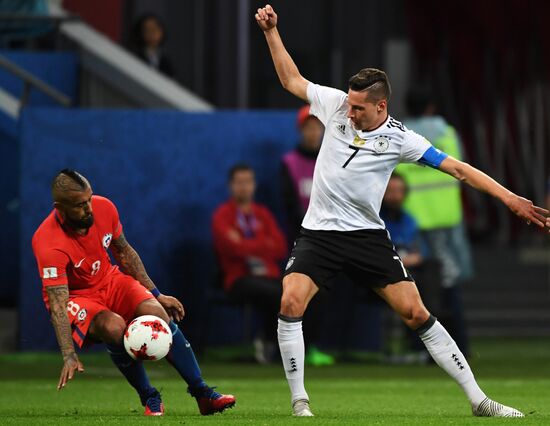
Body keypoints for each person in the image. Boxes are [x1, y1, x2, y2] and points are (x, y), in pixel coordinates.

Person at [255, 4, 549, 418]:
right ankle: (300, 402)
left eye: (359, 108)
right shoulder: (335, 105)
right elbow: (291, 79)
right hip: (318, 234)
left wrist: (510, 199)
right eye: (349, 105)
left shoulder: (401, 140)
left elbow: (459, 170)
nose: (349, 112)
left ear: (381, 106)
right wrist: (271, 32)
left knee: (416, 312)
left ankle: (480, 401)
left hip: (366, 237)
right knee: (290, 301)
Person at [32, 169, 235, 416]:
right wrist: (68, 354)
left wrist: (156, 293)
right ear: (59, 207)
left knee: (158, 314)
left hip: (109, 279)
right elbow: (58, 302)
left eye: (89, 199)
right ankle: (149, 396)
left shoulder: (104, 208)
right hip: (78, 297)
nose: (89, 209)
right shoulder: (47, 241)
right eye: (79, 205)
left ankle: (203, 394)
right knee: (114, 327)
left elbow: (125, 253)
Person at [396, 87, 473, 356]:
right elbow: (463, 170)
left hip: (410, 221)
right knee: (448, 282)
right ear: (430, 107)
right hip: (445, 219)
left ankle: (423, 348)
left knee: (413, 286)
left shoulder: (398, 134)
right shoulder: (449, 134)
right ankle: (459, 345)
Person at [212, 164, 287, 363]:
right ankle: (270, 344)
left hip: (269, 276)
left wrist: (244, 243)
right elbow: (231, 249)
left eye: (248, 182)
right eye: (239, 182)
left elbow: (280, 247)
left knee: (294, 291)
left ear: (254, 185)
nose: (244, 187)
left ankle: (295, 348)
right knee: (274, 292)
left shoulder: (263, 214)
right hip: (238, 279)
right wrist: (264, 244)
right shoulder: (223, 215)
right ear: (231, 186)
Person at [281, 107, 334, 367]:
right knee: (296, 297)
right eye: (308, 128)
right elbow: (288, 204)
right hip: (302, 240)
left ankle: (319, 346)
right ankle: (298, 349)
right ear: (301, 131)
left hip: (334, 239)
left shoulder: (333, 159)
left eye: (317, 127)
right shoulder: (289, 163)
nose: (313, 132)